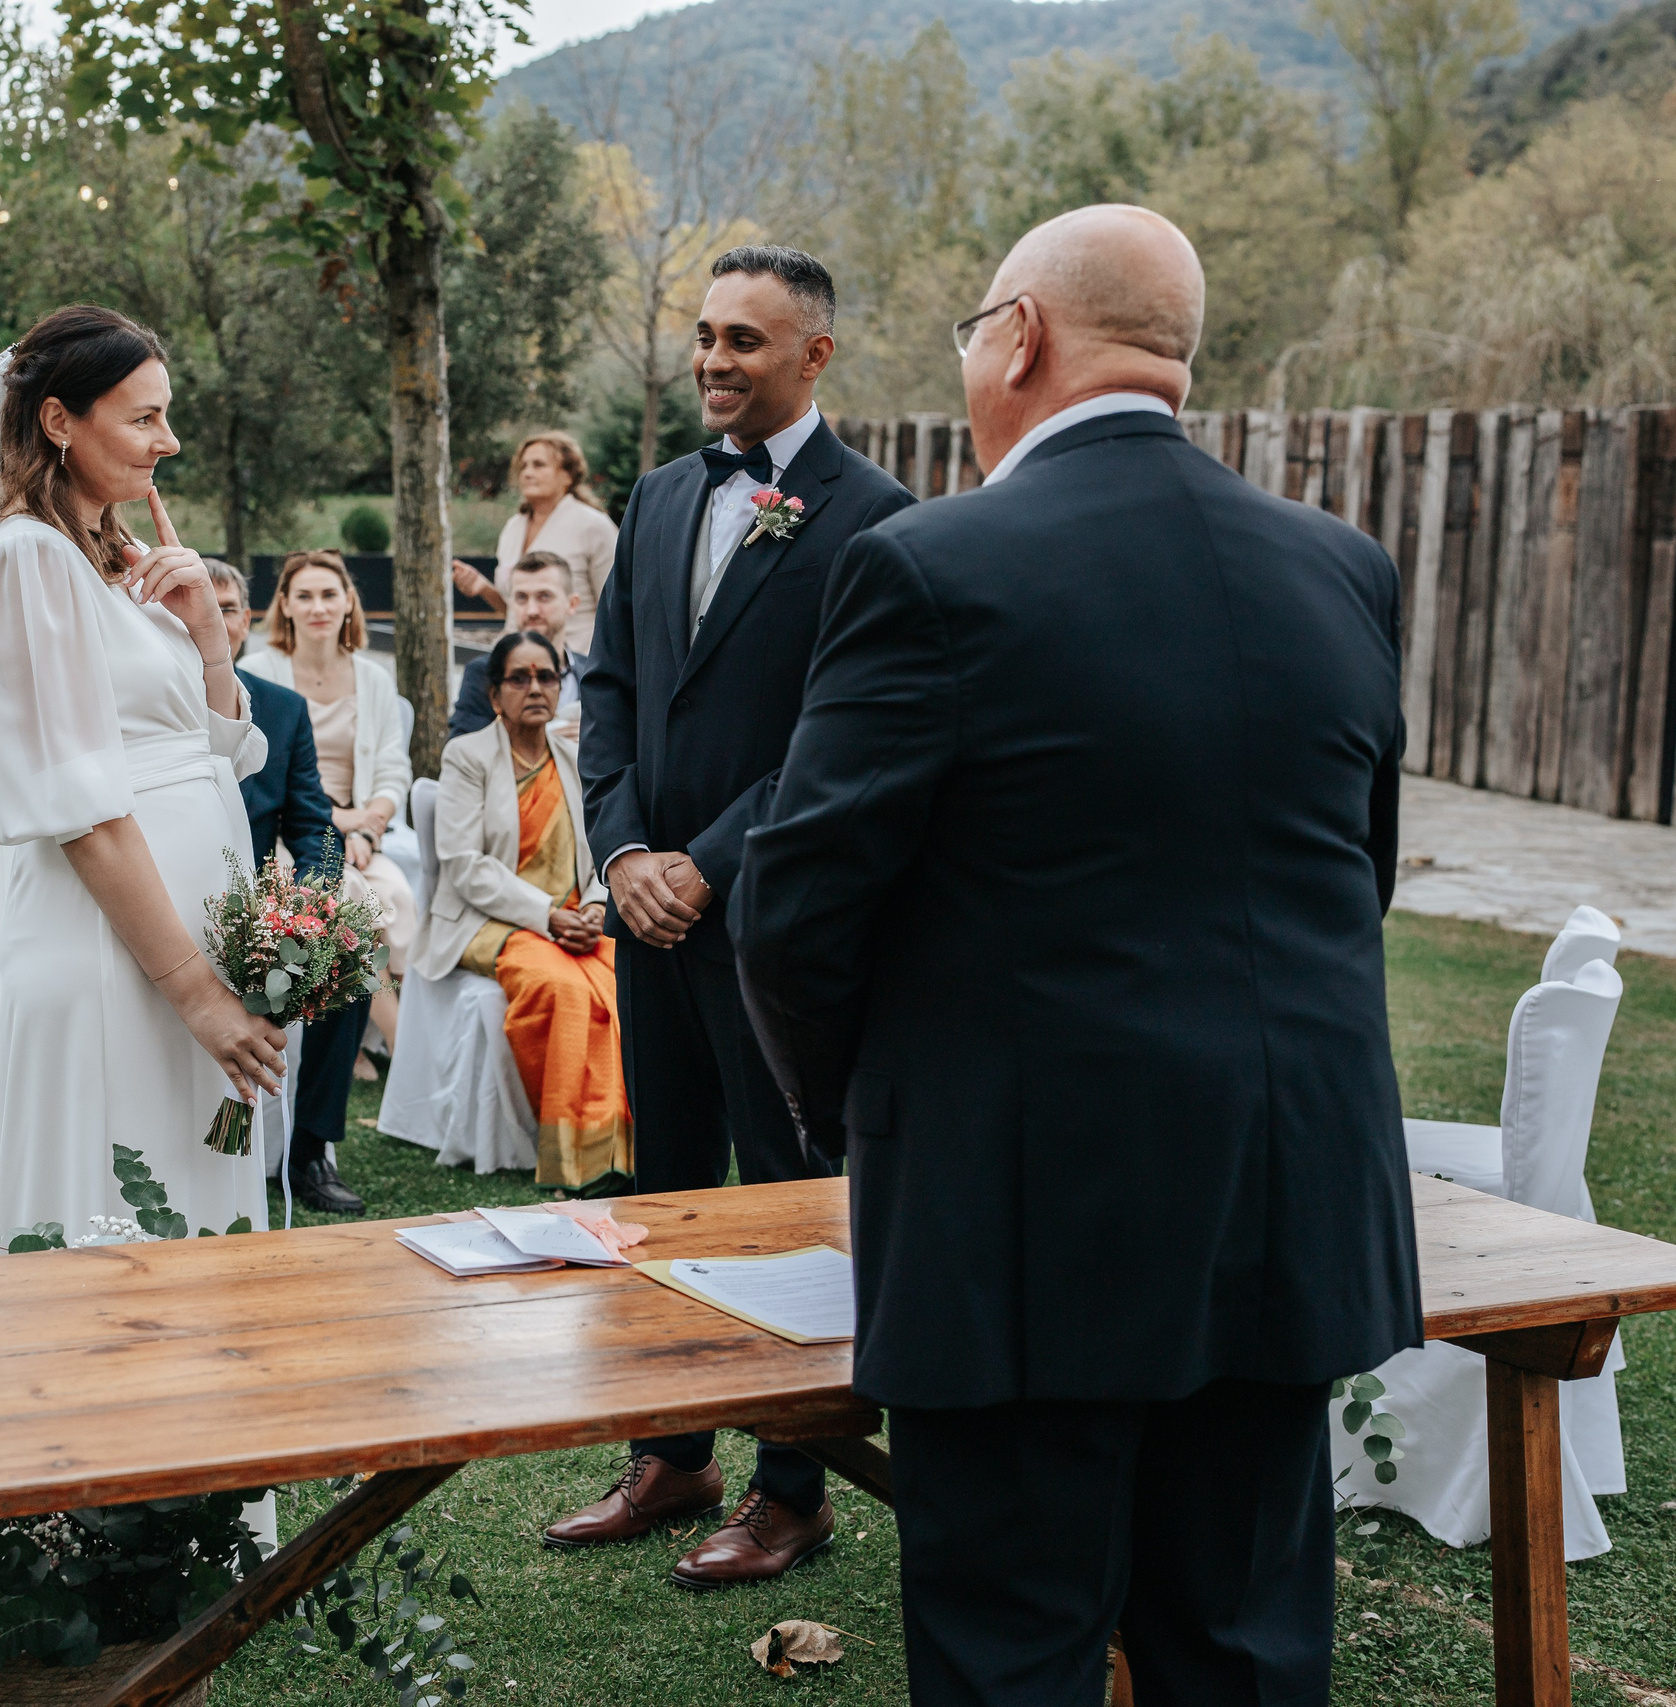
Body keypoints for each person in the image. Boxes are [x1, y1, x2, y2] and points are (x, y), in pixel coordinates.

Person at [732, 206, 1420, 1705]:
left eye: (976, 329)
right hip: (1281, 1208)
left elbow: (795, 906)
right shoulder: (1342, 567)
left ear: (1022, 335)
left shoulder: (932, 566)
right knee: (1241, 1648)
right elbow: (1352, 877)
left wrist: (865, 1118)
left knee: (1012, 1658)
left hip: (1022, 1227)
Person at [561, 244, 912, 1586]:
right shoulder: (654, 498)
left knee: (779, 1203)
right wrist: (629, 850)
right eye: (706, 334)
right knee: (661, 1190)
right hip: (650, 915)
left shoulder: (874, 517)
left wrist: (710, 858)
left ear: (816, 354)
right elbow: (614, 690)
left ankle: (791, 1485)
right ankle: (673, 1446)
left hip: (776, 921)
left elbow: (842, 735)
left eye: (746, 340)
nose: (714, 358)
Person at [0, 304, 285, 1250]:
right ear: (59, 420)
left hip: (175, 942)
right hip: (113, 956)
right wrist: (196, 991)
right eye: (144, 417)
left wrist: (205, 631)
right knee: (114, 1233)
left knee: (185, 1226)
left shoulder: (112, 559)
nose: (171, 439)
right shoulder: (29, 559)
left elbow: (220, 753)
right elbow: (83, 811)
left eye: (167, 414)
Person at [420, 631, 629, 1193]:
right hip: (488, 923)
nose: (536, 688)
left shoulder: (575, 758)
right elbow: (464, 865)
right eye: (520, 678)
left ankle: (622, 1150)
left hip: (571, 921)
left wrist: (593, 905)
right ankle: (580, 1160)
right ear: (494, 695)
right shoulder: (467, 756)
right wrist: (549, 915)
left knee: (623, 980)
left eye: (548, 677)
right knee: (560, 987)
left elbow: (598, 850)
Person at [212, 562, 366, 1215]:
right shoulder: (144, 707)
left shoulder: (283, 710)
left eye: (227, 607)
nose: (213, 621)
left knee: (347, 960)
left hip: (256, 907)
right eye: (199, 606)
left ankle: (308, 1150)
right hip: (164, 907)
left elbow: (315, 831)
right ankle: (223, 1146)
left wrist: (306, 909)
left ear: (247, 622)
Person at [239, 550, 414, 1071]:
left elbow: (392, 770)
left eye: (329, 594)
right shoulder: (256, 673)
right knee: (353, 897)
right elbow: (266, 780)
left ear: (348, 604)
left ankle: (356, 1034)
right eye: (305, 596)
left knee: (397, 894)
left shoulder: (374, 678)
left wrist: (371, 827)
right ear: (286, 607)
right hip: (290, 836)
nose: (318, 606)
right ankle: (402, 1049)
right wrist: (341, 829)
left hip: (363, 828)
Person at [450, 431, 619, 657]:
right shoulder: (513, 527)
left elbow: (615, 612)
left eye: (539, 465)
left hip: (576, 664)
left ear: (567, 476)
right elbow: (519, 612)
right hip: (515, 661)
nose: (528, 473)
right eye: (524, 466)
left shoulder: (594, 527)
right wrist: (484, 589)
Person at [446, 552, 585, 741]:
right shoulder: (484, 673)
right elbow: (460, 751)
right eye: (521, 598)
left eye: (544, 597)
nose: (532, 610)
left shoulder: (593, 673)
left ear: (572, 604)